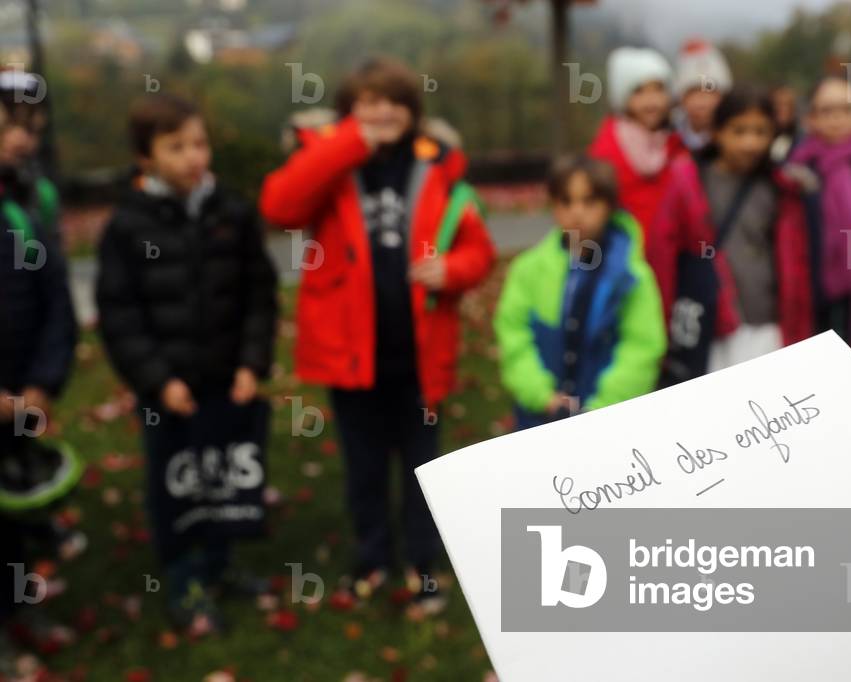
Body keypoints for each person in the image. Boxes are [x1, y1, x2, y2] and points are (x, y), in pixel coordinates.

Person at [260, 57, 495, 610]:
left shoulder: (437, 168)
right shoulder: (329, 160)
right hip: (351, 356)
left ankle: (422, 565)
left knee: (422, 469)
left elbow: (478, 248)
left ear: (413, 112)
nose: (381, 112)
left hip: (419, 354)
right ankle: (371, 560)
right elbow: (279, 207)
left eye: (393, 101)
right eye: (366, 102)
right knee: (363, 466)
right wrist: (345, 145)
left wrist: (453, 271)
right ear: (347, 112)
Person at [97, 93, 278, 635]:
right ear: (146, 157)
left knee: (222, 477)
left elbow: (259, 295)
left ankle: (220, 566)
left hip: (227, 381)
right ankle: (184, 581)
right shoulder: (128, 226)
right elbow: (119, 314)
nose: (193, 156)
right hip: (170, 394)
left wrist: (252, 363)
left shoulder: (232, 211)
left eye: (199, 143)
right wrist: (157, 379)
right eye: (176, 147)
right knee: (177, 486)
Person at [648, 86, 812, 377]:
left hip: (767, 323)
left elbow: (795, 264)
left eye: (760, 132)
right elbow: (662, 253)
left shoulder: (782, 188)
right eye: (739, 131)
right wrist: (662, 322)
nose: (750, 143)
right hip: (710, 323)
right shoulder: (688, 180)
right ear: (718, 132)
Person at [494, 154, 665, 429]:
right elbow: (513, 334)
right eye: (566, 201)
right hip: (539, 420)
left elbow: (641, 347)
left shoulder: (633, 277)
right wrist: (541, 395)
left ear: (609, 206)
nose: (577, 212)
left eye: (589, 201)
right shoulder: (528, 269)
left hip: (609, 424)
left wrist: (602, 407)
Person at [0, 71, 77, 679]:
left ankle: (20, 609)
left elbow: (56, 298)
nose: (23, 140)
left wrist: (43, 382)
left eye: (31, 128)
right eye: (9, 128)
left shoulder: (34, 199)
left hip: (19, 392)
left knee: (15, 515)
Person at [789, 75, 851, 349]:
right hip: (810, 293)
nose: (837, 119)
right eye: (826, 111)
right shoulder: (796, 171)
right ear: (810, 119)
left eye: (847, 109)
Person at [589, 46, 683, 245]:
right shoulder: (606, 150)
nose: (651, 101)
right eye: (639, 91)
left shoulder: (677, 146)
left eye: (659, 89)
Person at [672, 39, 733, 153]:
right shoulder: (668, 135)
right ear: (681, 98)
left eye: (710, 92)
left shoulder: (732, 136)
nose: (702, 102)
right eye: (693, 92)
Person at [769, 84, 800, 164]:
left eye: (787, 105)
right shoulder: (766, 135)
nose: (783, 109)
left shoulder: (800, 137)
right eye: (778, 104)